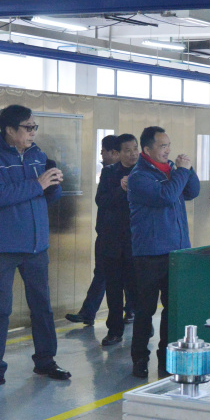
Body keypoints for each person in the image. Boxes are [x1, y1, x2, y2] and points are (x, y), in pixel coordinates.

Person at [0, 104, 70, 391]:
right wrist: (38, 184)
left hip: (36, 246)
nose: (33, 132)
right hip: (3, 247)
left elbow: (44, 197)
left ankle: (46, 361)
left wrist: (53, 185)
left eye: (34, 127)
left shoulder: (38, 156)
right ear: (10, 130)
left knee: (42, 306)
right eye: (28, 127)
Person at [127, 126, 201, 379]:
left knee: (173, 309)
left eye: (168, 145)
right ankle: (139, 359)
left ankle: (166, 357)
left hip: (176, 253)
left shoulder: (171, 169)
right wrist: (180, 172)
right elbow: (167, 196)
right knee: (145, 310)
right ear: (147, 149)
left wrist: (188, 170)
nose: (167, 150)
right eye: (162, 146)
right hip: (149, 253)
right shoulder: (139, 177)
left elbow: (192, 192)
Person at [66, 134, 133, 327]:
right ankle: (89, 313)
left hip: (127, 237)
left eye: (103, 151)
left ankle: (131, 311)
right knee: (102, 273)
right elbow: (101, 200)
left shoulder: (136, 174)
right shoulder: (108, 173)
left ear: (115, 153)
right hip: (106, 235)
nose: (101, 155)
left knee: (127, 276)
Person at [95, 133, 140, 346]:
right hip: (112, 240)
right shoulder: (109, 172)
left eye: (135, 149)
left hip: (136, 240)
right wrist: (121, 189)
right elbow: (101, 200)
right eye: (127, 150)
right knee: (113, 289)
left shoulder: (144, 172)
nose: (132, 154)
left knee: (137, 288)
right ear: (118, 153)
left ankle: (142, 326)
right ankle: (114, 330)